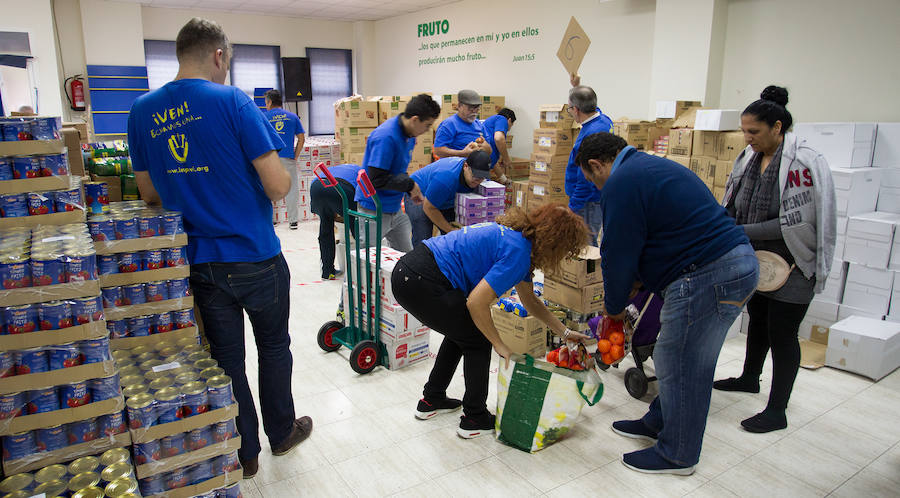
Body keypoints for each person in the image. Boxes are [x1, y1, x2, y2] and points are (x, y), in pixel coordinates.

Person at [127, 17, 311, 479]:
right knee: (273, 348)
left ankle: (243, 452)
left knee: (227, 360)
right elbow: (276, 187)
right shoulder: (233, 101)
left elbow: (148, 193)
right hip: (255, 255)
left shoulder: (141, 111)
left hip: (198, 262)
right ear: (219, 56)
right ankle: (282, 433)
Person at [577, 132, 758, 475]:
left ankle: (678, 455)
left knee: (679, 361)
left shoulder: (621, 182)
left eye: (593, 180)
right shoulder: (651, 167)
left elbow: (618, 252)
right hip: (732, 265)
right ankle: (659, 421)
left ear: (597, 164)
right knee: (683, 358)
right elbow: (666, 232)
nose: (599, 188)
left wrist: (613, 311)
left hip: (706, 274)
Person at [391, 204, 593, 438]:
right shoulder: (519, 252)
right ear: (555, 243)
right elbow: (476, 302)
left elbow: (531, 302)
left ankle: (431, 399)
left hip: (410, 272)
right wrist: (499, 344)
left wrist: (565, 332)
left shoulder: (518, 241)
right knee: (478, 339)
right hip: (422, 279)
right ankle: (474, 418)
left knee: (461, 333)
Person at [714, 86, 836, 433]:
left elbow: (791, 224)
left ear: (777, 127)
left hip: (794, 263)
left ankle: (777, 410)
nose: (747, 138)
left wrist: (738, 231)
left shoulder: (805, 164)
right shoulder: (748, 160)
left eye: (753, 131)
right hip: (758, 262)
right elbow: (734, 203)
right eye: (745, 131)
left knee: (783, 333)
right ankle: (750, 377)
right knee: (758, 319)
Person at [356, 94, 439, 252]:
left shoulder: (410, 136)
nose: (427, 130)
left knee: (406, 257)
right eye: (427, 125)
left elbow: (397, 171)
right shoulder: (386, 137)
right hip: (374, 207)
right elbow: (376, 179)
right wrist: (409, 184)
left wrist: (409, 189)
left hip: (394, 208)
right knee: (367, 259)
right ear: (414, 120)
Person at [406, 151, 492, 247]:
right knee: (423, 237)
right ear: (466, 166)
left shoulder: (481, 181)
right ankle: (420, 260)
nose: (478, 180)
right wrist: (450, 230)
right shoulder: (446, 178)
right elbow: (428, 207)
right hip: (419, 192)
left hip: (446, 197)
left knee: (455, 238)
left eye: (482, 177)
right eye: (475, 175)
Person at [566, 74, 613, 246]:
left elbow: (585, 178)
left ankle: (588, 274)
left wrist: (572, 207)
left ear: (577, 110)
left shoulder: (590, 135)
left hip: (587, 201)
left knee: (584, 245)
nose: (570, 113)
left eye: (570, 109)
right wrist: (577, 86)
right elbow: (590, 103)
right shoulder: (602, 119)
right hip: (594, 198)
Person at [311, 163, 362, 280]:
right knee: (357, 231)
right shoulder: (363, 172)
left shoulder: (340, 168)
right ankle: (359, 272)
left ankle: (327, 272)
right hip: (342, 189)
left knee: (326, 226)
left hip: (317, 186)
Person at [264, 89, 306, 229]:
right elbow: (301, 138)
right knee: (292, 188)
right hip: (288, 158)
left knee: (268, 188)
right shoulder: (293, 117)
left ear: (269, 102)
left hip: (270, 158)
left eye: (266, 102)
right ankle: (293, 221)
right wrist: (295, 155)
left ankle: (270, 220)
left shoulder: (263, 117)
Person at [433, 89, 492, 159]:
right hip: (456, 166)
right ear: (459, 106)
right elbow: (438, 150)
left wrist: (488, 149)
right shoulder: (449, 124)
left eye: (477, 108)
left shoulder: (479, 125)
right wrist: (462, 153)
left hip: (477, 166)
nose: (474, 112)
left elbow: (489, 148)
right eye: (470, 108)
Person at [480, 108, 516, 182]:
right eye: (511, 125)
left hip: (482, 164)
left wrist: (504, 179)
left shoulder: (490, 127)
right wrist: (506, 159)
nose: (509, 129)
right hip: (481, 164)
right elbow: (499, 139)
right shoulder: (502, 119)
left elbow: (493, 162)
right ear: (509, 120)